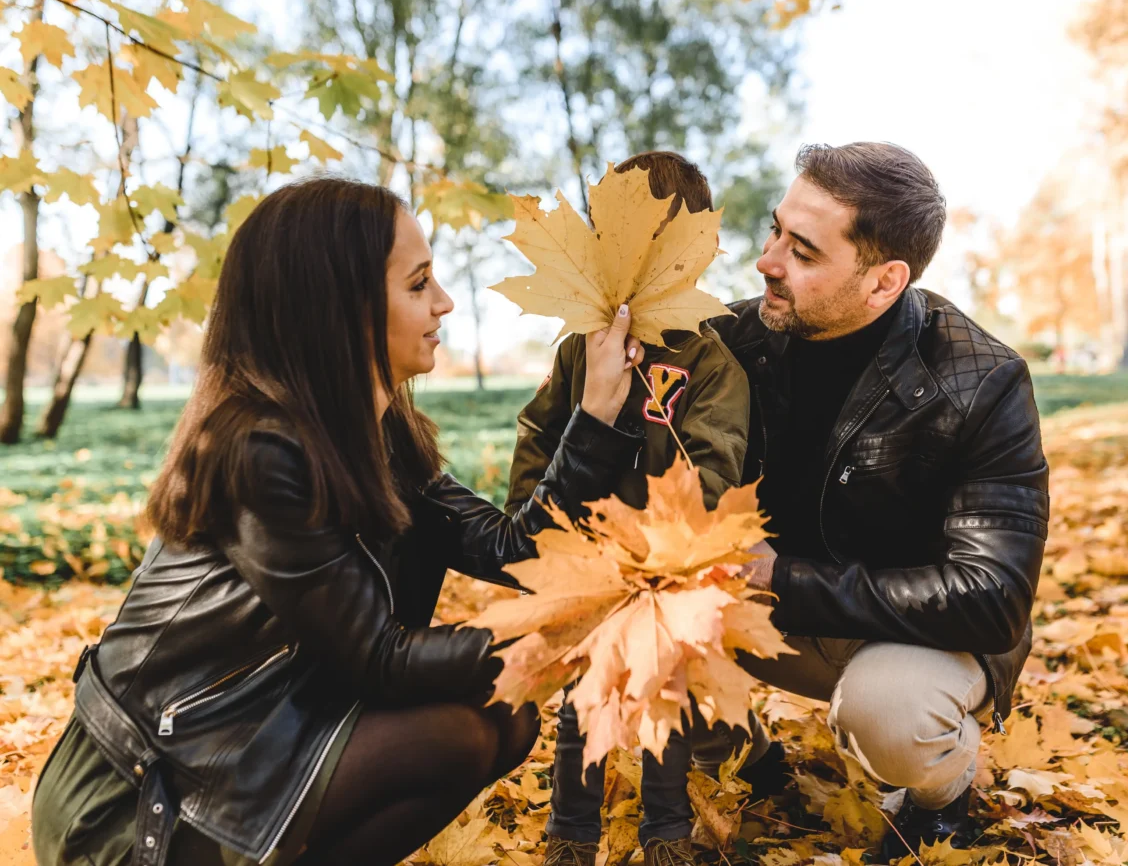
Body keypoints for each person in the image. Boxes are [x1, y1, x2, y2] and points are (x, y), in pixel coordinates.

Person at [30, 177, 647, 866]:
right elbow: (378, 658)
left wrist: (594, 417)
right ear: (343, 309)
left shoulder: (377, 433)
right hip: (141, 796)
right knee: (467, 730)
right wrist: (550, 639)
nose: (443, 302)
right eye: (418, 285)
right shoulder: (256, 450)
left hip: (257, 742)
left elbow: (514, 547)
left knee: (504, 717)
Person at [704, 142, 1050, 858]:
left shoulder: (982, 381)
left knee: (888, 712)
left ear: (884, 282)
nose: (767, 261)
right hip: (764, 612)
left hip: (910, 638)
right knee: (628, 609)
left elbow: (993, 596)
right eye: (775, 232)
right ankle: (751, 760)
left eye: (802, 251)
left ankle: (941, 792)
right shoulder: (727, 340)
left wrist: (783, 578)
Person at [506, 151, 753, 866]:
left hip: (666, 567)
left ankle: (667, 830)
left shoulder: (709, 364)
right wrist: (532, 517)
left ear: (692, 259)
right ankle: (571, 831)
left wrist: (669, 538)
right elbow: (541, 429)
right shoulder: (582, 351)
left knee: (660, 689)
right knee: (587, 694)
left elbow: (715, 460)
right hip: (587, 554)